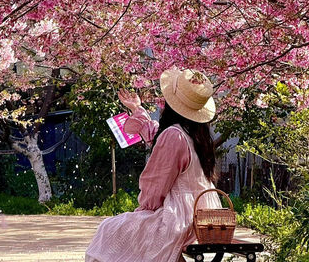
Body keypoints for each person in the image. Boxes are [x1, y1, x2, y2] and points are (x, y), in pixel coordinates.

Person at [85, 67, 221, 262]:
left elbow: (155, 184)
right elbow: (158, 137)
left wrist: (146, 208)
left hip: (179, 217)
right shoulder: (195, 135)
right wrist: (136, 109)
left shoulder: (174, 135)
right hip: (200, 211)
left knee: (110, 230)